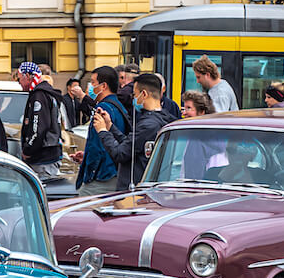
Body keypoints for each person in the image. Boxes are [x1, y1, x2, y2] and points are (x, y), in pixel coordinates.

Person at [94, 72, 176, 189]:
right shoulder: (165, 119)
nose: (133, 99)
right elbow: (132, 144)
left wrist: (102, 131)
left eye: (134, 94)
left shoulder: (148, 125)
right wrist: (110, 126)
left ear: (144, 94)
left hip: (135, 189)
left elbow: (120, 153)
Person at [73, 66, 127, 195]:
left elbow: (98, 145)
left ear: (103, 86)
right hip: (112, 172)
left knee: (81, 210)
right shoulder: (118, 106)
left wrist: (90, 173)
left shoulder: (103, 108)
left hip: (101, 176)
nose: (90, 87)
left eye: (92, 83)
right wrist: (85, 156)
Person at [17, 61, 64, 181]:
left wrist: (28, 150)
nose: (19, 84)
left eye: (19, 80)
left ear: (27, 76)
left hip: (43, 158)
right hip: (48, 154)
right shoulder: (45, 92)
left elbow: (38, 128)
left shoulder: (39, 95)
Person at [178, 91, 223, 179]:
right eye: (184, 108)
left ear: (202, 112)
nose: (184, 113)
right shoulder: (214, 134)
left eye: (189, 108)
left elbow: (193, 174)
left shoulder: (198, 138)